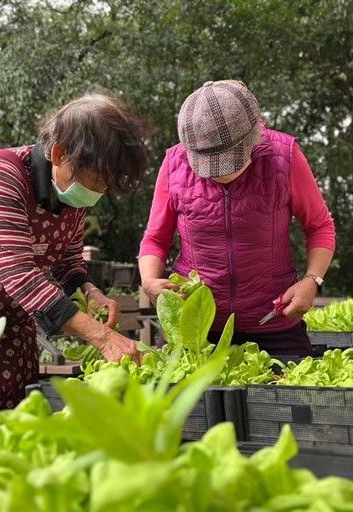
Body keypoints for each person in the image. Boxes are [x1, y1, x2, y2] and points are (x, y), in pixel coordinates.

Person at [0, 93, 147, 414]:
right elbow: (21, 274)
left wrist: (91, 291)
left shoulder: (71, 196)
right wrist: (102, 338)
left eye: (106, 183)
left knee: (15, 411)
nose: (99, 191)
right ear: (59, 153)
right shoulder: (1, 176)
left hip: (8, 310)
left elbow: (67, 261)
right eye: (96, 179)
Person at [138, 80, 335, 356]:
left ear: (253, 137)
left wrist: (312, 280)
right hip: (194, 326)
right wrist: (149, 280)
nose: (220, 174)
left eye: (229, 161)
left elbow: (319, 226)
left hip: (273, 324)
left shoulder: (285, 156)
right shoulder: (174, 164)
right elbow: (155, 238)